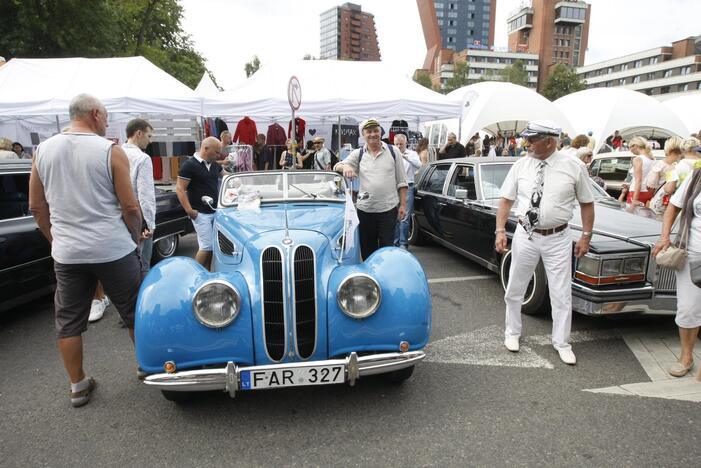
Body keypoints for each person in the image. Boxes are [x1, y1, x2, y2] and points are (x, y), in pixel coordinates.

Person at [28, 94, 143, 407]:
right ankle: (145, 367)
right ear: (94, 114)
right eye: (106, 117)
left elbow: (36, 206)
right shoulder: (110, 150)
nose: (107, 122)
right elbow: (130, 206)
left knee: (68, 321)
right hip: (112, 248)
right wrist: (136, 236)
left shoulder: (42, 151)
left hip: (68, 253)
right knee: (136, 312)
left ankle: (78, 384)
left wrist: (56, 239)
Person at [495, 120, 595, 365]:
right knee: (516, 286)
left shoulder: (573, 166)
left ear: (549, 141)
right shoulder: (521, 165)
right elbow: (506, 200)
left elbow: (587, 203)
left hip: (558, 237)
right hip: (525, 234)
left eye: (532, 139)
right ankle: (512, 332)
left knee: (561, 292)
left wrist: (585, 236)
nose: (526, 143)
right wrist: (499, 230)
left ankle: (562, 342)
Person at [334, 118, 408, 259]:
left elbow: (402, 181)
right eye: (369, 131)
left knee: (387, 252)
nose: (373, 134)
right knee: (368, 251)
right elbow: (336, 166)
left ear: (380, 132)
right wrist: (346, 166)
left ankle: (384, 278)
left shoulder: (394, 151)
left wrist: (403, 205)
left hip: (388, 210)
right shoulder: (358, 153)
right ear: (363, 135)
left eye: (376, 131)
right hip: (365, 211)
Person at [652, 168, 701, 380]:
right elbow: (673, 206)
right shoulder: (697, 175)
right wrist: (664, 238)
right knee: (688, 310)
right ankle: (686, 356)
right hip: (692, 254)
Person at [175, 136, 223, 271]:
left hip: (214, 211)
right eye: (216, 152)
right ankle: (194, 275)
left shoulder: (214, 165)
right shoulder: (189, 165)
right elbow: (179, 188)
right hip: (200, 212)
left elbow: (227, 177)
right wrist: (189, 211)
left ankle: (206, 274)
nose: (218, 155)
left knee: (211, 247)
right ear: (206, 148)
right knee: (206, 246)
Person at [123, 118, 156, 272]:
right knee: (142, 266)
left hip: (117, 220)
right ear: (139, 133)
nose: (150, 141)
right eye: (149, 136)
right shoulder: (142, 158)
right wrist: (149, 224)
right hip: (138, 220)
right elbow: (145, 195)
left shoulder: (114, 153)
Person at [393, 134, 422, 250]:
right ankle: (394, 243)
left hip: (408, 186)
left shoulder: (412, 154)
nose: (399, 146)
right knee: (395, 216)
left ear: (406, 143)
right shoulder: (391, 153)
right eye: (397, 144)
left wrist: (406, 157)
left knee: (405, 216)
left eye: (401, 144)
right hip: (394, 186)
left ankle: (403, 243)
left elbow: (419, 165)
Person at [647, 137, 682, 215]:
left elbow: (650, 187)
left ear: (668, 148)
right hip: (676, 204)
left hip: (660, 203)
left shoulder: (660, 165)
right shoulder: (682, 165)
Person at [619, 136, 655, 206]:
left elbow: (639, 180)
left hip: (637, 193)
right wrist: (630, 184)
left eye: (630, 147)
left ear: (635, 146)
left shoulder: (638, 159)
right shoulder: (652, 159)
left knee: (631, 216)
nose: (630, 150)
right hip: (648, 193)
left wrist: (635, 199)